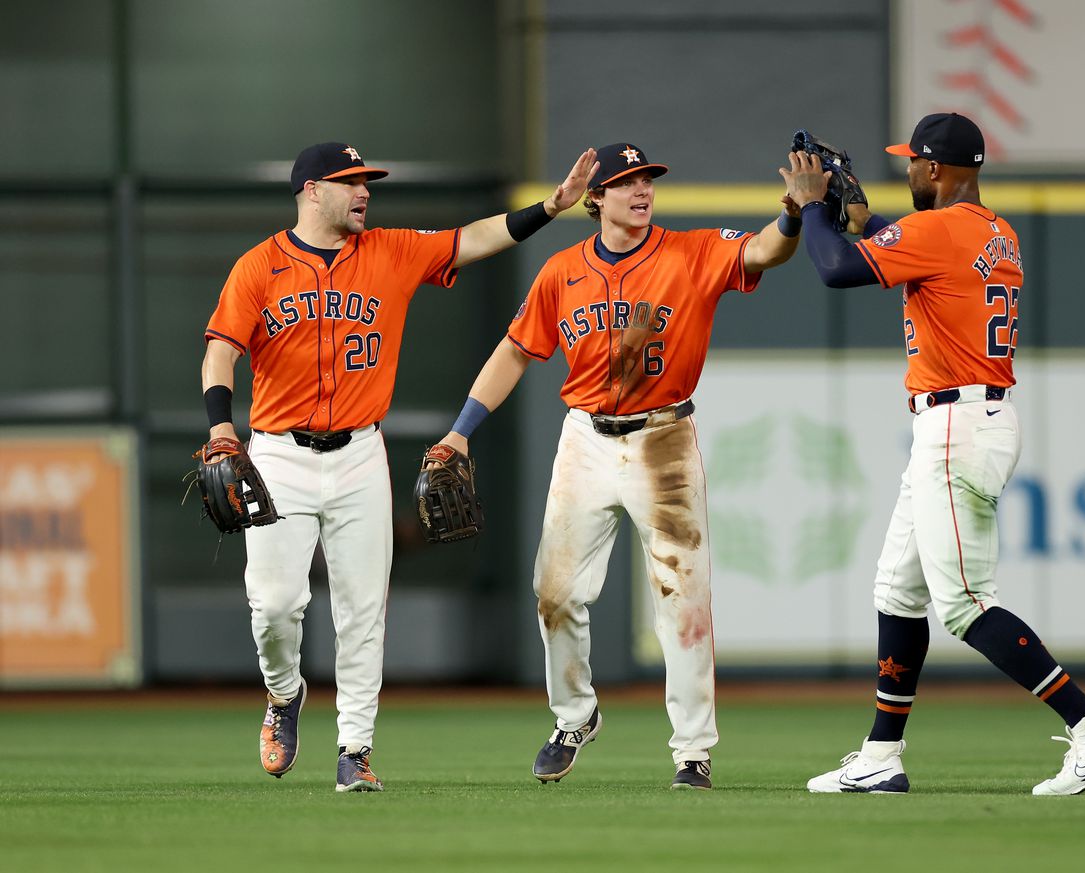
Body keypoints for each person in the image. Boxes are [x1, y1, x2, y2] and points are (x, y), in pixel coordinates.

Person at [200, 141, 598, 792]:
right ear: (310, 192)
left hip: (359, 451)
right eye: (349, 182)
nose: (364, 192)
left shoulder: (390, 250)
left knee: (362, 611)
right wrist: (221, 425)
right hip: (277, 450)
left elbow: (472, 240)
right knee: (274, 607)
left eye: (367, 183)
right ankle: (283, 694)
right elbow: (222, 352)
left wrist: (552, 206)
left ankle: (355, 748)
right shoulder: (260, 266)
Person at [781, 113, 1085, 795]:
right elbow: (912, 238)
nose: (907, 171)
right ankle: (882, 755)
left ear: (938, 171)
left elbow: (833, 269)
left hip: (957, 425)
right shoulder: (993, 230)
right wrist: (857, 213)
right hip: (971, 417)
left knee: (966, 603)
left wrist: (812, 208)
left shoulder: (937, 230)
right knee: (897, 587)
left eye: (913, 163)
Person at [432, 142, 801, 790]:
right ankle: (575, 715)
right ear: (595, 197)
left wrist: (795, 213)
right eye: (625, 181)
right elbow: (516, 352)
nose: (640, 189)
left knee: (684, 599)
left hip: (665, 437)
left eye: (647, 179)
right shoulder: (561, 270)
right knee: (555, 592)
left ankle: (693, 750)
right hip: (588, 439)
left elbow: (764, 250)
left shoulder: (691, 252)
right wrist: (460, 432)